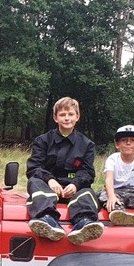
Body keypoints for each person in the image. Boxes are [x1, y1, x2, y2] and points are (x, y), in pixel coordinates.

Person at [27, 97, 104, 245]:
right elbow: (34, 167)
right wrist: (50, 180)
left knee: (88, 192)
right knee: (34, 182)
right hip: (47, 186)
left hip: (73, 188)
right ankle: (47, 219)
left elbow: (87, 172)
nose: (67, 118)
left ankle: (84, 223)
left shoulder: (87, 144)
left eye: (70, 114)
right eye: (62, 115)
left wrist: (75, 184)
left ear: (77, 117)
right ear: (55, 118)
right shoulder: (42, 141)